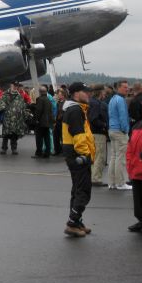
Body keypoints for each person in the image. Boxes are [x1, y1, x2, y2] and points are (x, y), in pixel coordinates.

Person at [61, 82, 96, 237]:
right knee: (83, 191)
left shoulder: (74, 108)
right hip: (78, 154)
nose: (88, 94)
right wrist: (85, 155)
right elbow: (79, 136)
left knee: (77, 190)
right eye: (85, 91)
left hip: (73, 153)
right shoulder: (75, 110)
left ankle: (77, 220)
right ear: (76, 93)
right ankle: (72, 222)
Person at [108, 80, 131, 190]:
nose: (127, 89)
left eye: (127, 87)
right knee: (120, 158)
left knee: (114, 156)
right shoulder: (121, 100)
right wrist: (125, 130)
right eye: (125, 87)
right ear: (118, 88)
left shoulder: (112, 99)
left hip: (112, 129)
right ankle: (120, 183)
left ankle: (112, 182)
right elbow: (123, 117)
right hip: (119, 131)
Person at [0, 82, 29, 155]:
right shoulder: (5, 95)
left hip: (16, 119)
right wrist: (5, 109)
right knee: (5, 134)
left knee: (14, 134)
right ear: (10, 85)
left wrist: (25, 115)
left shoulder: (19, 96)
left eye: (16, 86)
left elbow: (22, 106)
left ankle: (14, 148)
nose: (15, 87)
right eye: (13, 85)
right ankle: (4, 148)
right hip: (7, 118)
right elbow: (0, 104)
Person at [89, 85, 109, 186]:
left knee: (94, 156)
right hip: (98, 132)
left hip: (92, 132)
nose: (105, 94)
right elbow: (94, 119)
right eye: (104, 92)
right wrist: (104, 125)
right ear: (100, 92)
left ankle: (93, 177)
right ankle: (96, 178)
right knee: (99, 156)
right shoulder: (97, 104)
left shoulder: (90, 102)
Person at [126, 119, 142, 232]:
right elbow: (130, 147)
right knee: (138, 202)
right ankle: (141, 220)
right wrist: (129, 164)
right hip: (136, 169)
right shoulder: (137, 125)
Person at [32, 86, 54, 159]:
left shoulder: (40, 99)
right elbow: (51, 112)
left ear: (40, 92)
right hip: (47, 122)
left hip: (41, 122)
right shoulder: (49, 100)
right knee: (47, 138)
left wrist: (36, 119)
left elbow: (38, 111)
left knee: (39, 139)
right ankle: (47, 153)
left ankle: (39, 153)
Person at [53, 88, 68, 156]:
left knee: (63, 137)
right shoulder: (58, 102)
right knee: (56, 136)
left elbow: (64, 112)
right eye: (58, 95)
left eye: (59, 95)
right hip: (57, 122)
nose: (58, 96)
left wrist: (59, 117)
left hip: (62, 122)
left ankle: (64, 151)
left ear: (63, 95)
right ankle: (57, 150)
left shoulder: (66, 103)